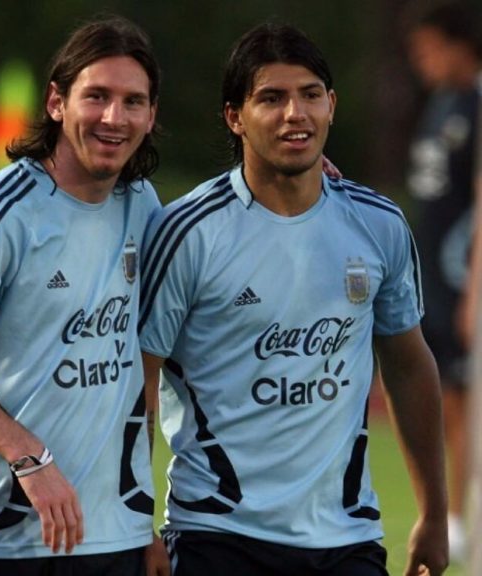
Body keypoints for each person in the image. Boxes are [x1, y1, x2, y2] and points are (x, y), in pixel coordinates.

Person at [139, 23, 448, 576]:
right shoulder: (187, 231)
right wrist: (136, 522)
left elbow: (407, 365)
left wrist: (435, 513)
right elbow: (138, 383)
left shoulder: (378, 224)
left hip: (348, 537)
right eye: (271, 98)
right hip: (217, 536)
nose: (294, 114)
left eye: (310, 95)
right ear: (235, 116)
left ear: (331, 105)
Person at [0, 15, 169, 575]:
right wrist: (28, 456)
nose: (113, 117)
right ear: (56, 102)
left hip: (112, 541)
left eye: (132, 102)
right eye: (96, 96)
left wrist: (307, 180)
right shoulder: (0, 213)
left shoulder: (145, 208)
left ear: (151, 116)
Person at [404, 1, 482, 563]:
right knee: (442, 398)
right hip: (430, 274)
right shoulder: (439, 104)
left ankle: (462, 515)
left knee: (465, 399)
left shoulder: (476, 103)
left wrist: (475, 289)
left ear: (460, 45)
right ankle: (448, 514)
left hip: (461, 278)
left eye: (432, 49)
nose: (424, 62)